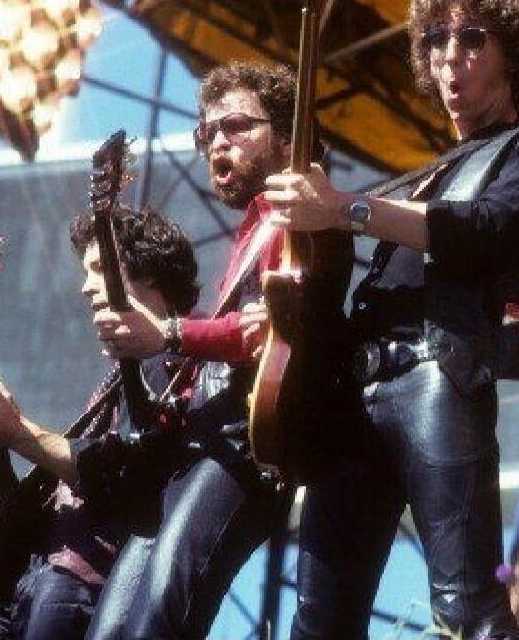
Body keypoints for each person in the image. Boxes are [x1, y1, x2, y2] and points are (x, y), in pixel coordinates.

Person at [266, 0, 519, 640]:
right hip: (360, 390)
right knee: (317, 620)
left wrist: (348, 207)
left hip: (437, 372)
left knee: (468, 607)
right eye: (436, 41)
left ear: (512, 53)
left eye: (472, 36)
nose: (449, 56)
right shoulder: (425, 172)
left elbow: (486, 227)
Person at [85, 62, 351, 640]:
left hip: (243, 444)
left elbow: (266, 332)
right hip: (197, 439)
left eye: (235, 126)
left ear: (287, 135)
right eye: (207, 135)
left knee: (160, 616)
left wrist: (171, 333)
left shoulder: (299, 212)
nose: (217, 144)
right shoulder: (252, 226)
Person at [0, 206, 197, 640]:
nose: (85, 287)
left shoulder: (168, 363)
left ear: (147, 272)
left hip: (78, 585)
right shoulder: (120, 375)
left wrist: (19, 432)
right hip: (37, 577)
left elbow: (122, 473)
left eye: (98, 269)